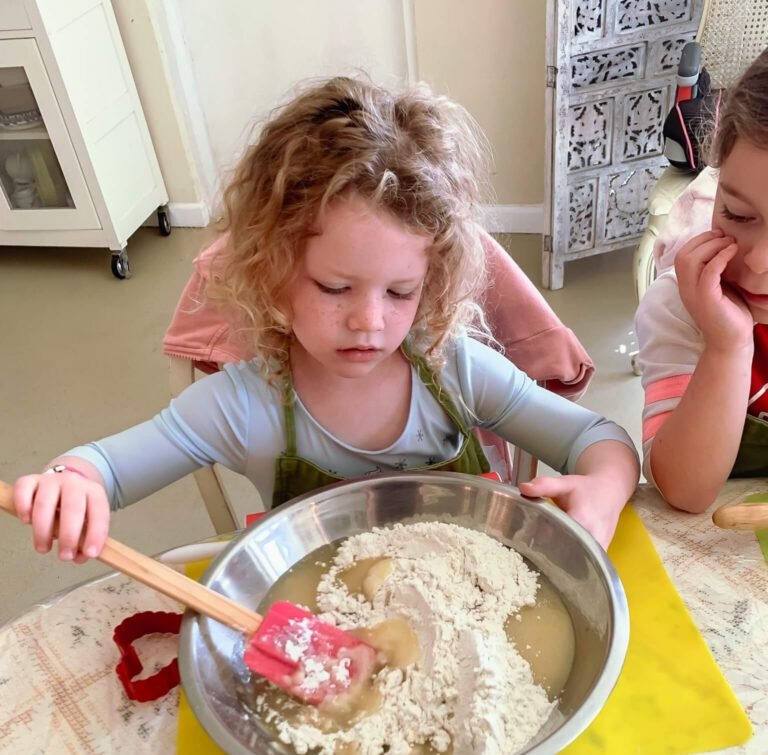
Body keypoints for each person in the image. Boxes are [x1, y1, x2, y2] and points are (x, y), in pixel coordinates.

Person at [13, 76, 638, 559]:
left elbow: (601, 440)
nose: (369, 321)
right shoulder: (245, 407)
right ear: (273, 268)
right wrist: (72, 479)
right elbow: (109, 467)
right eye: (335, 287)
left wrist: (603, 493)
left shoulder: (456, 373)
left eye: (401, 292)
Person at [636, 48, 768, 512]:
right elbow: (683, 490)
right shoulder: (681, 305)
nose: (757, 263)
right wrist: (728, 347)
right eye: (738, 214)